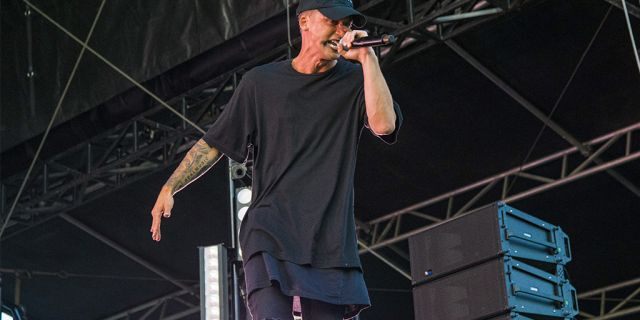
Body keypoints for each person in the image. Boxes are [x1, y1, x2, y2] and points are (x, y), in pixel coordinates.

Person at [150, 0, 402, 318]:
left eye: (346, 24)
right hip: (269, 232)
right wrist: (171, 186)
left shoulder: (355, 80)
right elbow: (215, 142)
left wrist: (368, 59)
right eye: (333, 21)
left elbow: (384, 125)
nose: (341, 31)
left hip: (330, 242)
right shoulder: (261, 83)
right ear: (305, 22)